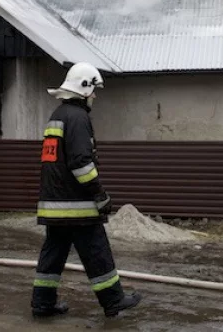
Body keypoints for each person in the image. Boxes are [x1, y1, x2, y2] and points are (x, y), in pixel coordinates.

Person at [30, 62, 143, 318]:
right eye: (93, 90)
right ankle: (114, 300)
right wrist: (99, 194)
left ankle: (42, 302)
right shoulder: (79, 118)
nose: (95, 95)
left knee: (53, 254)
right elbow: (81, 163)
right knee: (96, 250)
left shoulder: (57, 115)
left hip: (54, 204)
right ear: (83, 88)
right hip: (76, 205)